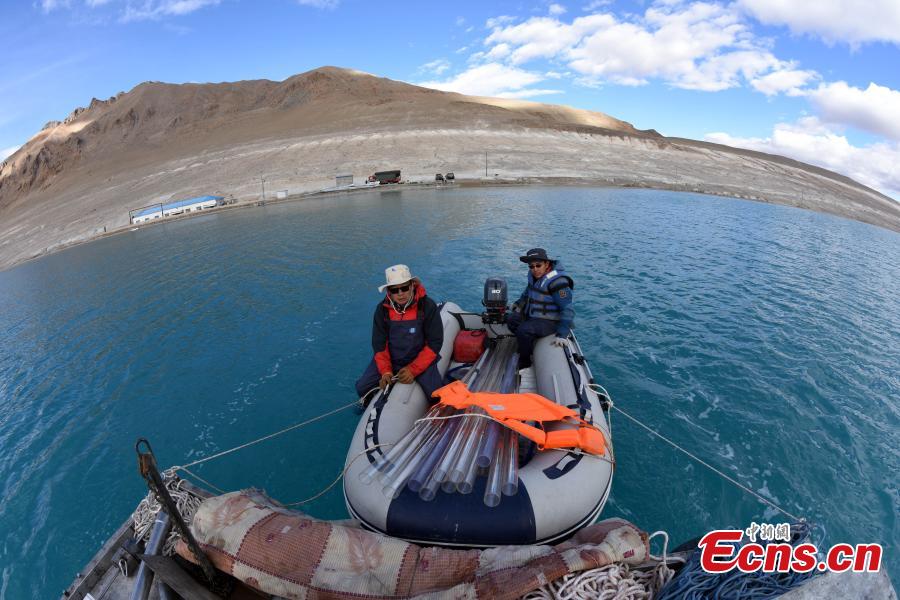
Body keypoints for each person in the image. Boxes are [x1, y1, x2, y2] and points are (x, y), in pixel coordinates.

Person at [355, 264, 444, 402]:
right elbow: (379, 345)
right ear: (389, 292)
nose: (400, 293)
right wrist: (385, 370)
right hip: (392, 358)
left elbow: (435, 343)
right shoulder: (381, 310)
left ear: (412, 285)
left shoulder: (427, 306)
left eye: (404, 288)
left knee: (436, 396)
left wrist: (413, 370)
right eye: (395, 290)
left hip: (420, 358)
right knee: (362, 387)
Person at [507, 248, 575, 369]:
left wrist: (562, 334)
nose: (535, 269)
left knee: (523, 330)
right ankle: (528, 343)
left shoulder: (558, 282)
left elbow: (568, 309)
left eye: (538, 265)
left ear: (547, 264)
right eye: (531, 267)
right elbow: (527, 293)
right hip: (534, 316)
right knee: (511, 320)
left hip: (551, 321)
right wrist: (517, 304)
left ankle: (525, 361)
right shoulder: (534, 278)